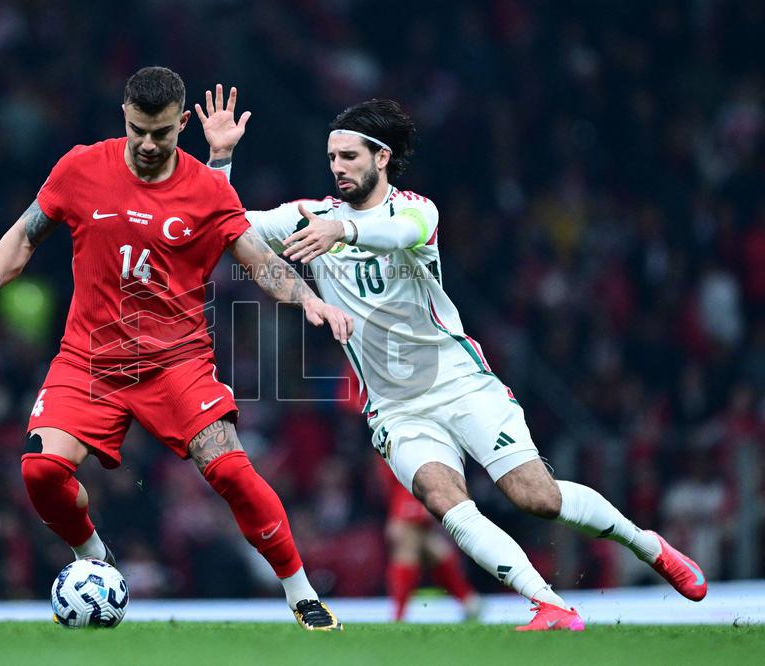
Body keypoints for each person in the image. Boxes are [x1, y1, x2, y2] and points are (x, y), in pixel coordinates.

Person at [198, 89, 707, 631]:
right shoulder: (310, 214)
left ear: (382, 158)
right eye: (331, 157)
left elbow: (396, 234)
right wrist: (221, 161)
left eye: (349, 157)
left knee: (535, 496)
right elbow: (222, 226)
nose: (338, 168)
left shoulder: (416, 211)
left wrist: (340, 229)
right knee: (443, 498)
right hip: (395, 408)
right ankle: (551, 604)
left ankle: (647, 545)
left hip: (461, 383)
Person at [0, 67, 353, 631]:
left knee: (232, 471)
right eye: (138, 129)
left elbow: (256, 258)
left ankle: (301, 593)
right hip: (88, 360)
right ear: (124, 116)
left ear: (182, 124)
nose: (147, 143)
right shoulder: (80, 167)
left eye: (161, 132)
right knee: (41, 471)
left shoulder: (209, 188)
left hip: (176, 363)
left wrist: (308, 299)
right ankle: (94, 558)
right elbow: (23, 235)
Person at [380, 460, 481, 622]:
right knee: (431, 546)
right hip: (415, 482)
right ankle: (468, 599)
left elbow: (408, 467)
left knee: (408, 541)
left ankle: (398, 615)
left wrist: (398, 514)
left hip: (414, 484)